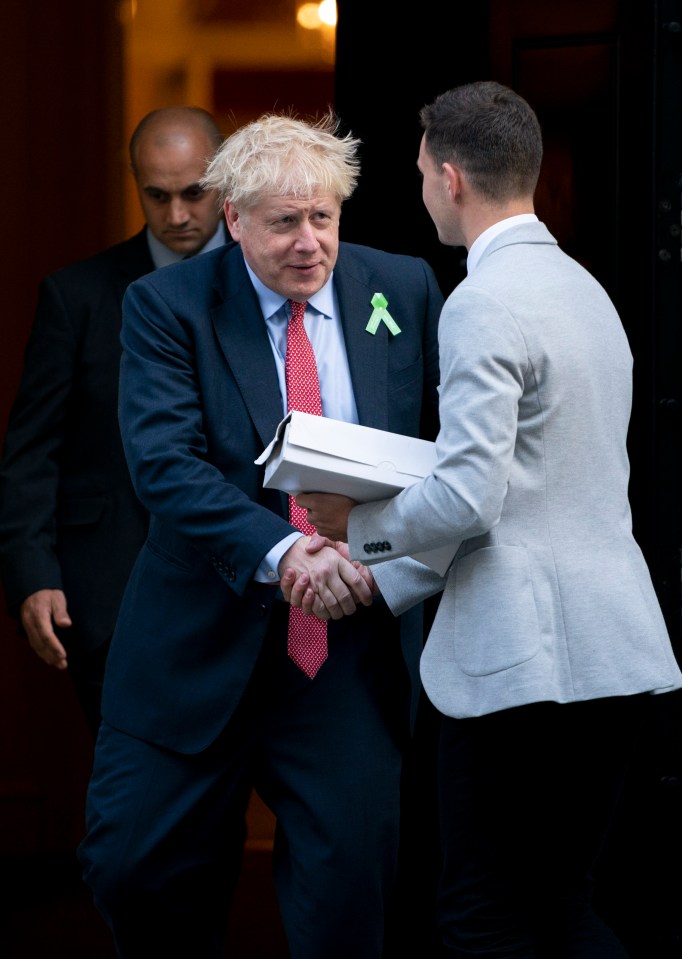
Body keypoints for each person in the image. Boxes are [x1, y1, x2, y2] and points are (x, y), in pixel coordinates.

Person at [289, 81, 682, 957]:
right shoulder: (586, 291)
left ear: (451, 177)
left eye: (423, 169)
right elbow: (536, 488)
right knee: (565, 903)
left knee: (484, 913)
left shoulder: (481, 300)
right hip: (615, 652)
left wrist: (357, 528)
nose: (422, 185)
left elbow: (471, 497)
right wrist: (387, 575)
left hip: (518, 665)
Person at [76, 111, 443, 959]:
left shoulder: (404, 287)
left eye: (324, 217)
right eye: (284, 221)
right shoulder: (166, 305)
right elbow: (165, 465)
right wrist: (287, 554)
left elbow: (445, 453)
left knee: (354, 892)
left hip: (345, 655)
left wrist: (380, 557)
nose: (310, 242)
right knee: (131, 868)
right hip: (198, 639)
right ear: (234, 220)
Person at [0, 105, 227, 737]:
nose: (177, 215)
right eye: (157, 196)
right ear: (134, 183)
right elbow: (32, 450)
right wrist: (33, 576)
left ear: (227, 179)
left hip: (249, 597)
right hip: (112, 596)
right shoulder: (77, 296)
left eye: (193, 193)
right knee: (135, 811)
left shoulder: (271, 279)